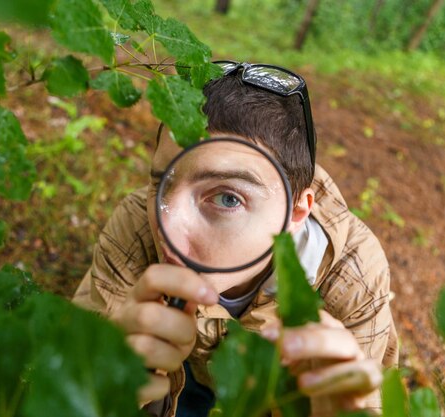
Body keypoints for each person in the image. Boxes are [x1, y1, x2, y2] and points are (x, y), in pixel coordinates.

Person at [73, 62, 398, 417]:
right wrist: (109, 378)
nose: (167, 223)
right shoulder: (137, 223)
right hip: (181, 376)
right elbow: (73, 371)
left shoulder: (352, 275)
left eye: (228, 198)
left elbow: (367, 401)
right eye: (162, 182)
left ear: (296, 214)